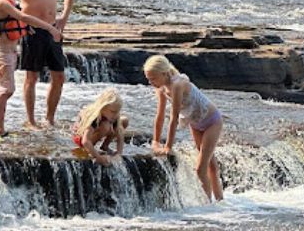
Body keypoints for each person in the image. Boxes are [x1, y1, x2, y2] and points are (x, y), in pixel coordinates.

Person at [0, 0, 61, 138]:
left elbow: (17, 23)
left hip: (10, 51)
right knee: (5, 91)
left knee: (6, 90)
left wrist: (27, 29)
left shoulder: (6, 1)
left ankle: (0, 128)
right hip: (2, 51)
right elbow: (23, 17)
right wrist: (49, 27)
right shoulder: (2, 2)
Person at [143, 54, 223, 201]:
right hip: (195, 123)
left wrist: (168, 146)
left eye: (153, 78)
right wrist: (155, 141)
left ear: (164, 73)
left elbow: (173, 118)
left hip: (212, 121)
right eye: (148, 79)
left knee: (200, 168)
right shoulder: (161, 89)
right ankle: (220, 201)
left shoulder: (178, 85)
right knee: (210, 164)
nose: (150, 82)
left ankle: (208, 206)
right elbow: (160, 116)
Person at [15, 0, 75, 129]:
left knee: (59, 76)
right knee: (31, 77)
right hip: (32, 31)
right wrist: (20, 23)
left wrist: (63, 20)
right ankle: (31, 120)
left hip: (53, 31)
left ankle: (49, 118)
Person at [71, 89, 128, 165]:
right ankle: (91, 148)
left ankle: (105, 146)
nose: (116, 114)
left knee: (124, 121)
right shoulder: (94, 118)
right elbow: (85, 141)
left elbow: (120, 134)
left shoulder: (114, 116)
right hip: (80, 137)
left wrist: (119, 154)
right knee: (106, 126)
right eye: (113, 111)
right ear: (102, 108)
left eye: (118, 111)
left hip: (99, 127)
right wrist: (98, 157)